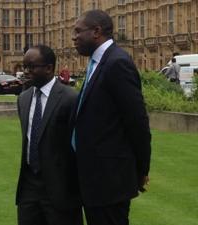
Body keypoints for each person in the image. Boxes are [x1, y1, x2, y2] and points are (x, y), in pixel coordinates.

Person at [71, 10, 151, 225]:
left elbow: (137, 121)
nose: (74, 37)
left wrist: (141, 170)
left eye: (78, 31)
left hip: (110, 179)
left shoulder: (117, 63)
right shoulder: (98, 62)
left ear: (96, 31)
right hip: (94, 176)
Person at [16, 45, 82, 225]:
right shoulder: (23, 98)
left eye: (31, 67)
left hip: (61, 188)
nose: (26, 72)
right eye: (24, 67)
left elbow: (81, 146)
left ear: (49, 68)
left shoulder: (70, 98)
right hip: (29, 186)